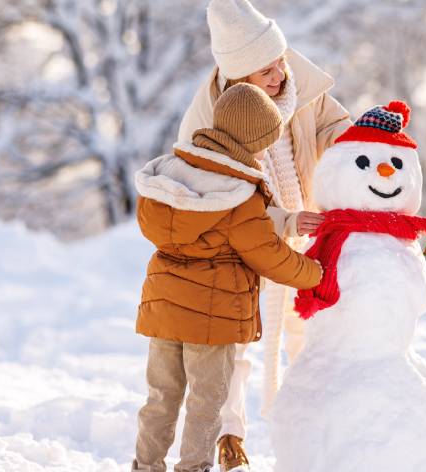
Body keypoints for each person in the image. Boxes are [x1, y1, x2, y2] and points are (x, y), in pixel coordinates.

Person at [176, 1, 352, 470]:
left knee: (307, 331)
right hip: (242, 243)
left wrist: (350, 139)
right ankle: (230, 434)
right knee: (239, 344)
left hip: (303, 230)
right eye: (264, 72)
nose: (278, 76)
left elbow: (335, 123)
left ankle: (309, 427)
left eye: (279, 62)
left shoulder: (298, 84)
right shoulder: (207, 115)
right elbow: (200, 181)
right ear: (236, 78)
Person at [131, 83, 322, 472]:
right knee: (205, 401)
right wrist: (315, 273)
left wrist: (283, 220)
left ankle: (146, 465)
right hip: (211, 318)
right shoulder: (240, 195)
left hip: (163, 309)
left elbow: (216, 221)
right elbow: (268, 255)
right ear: (252, 140)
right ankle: (194, 467)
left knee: (161, 396)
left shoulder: (173, 173)